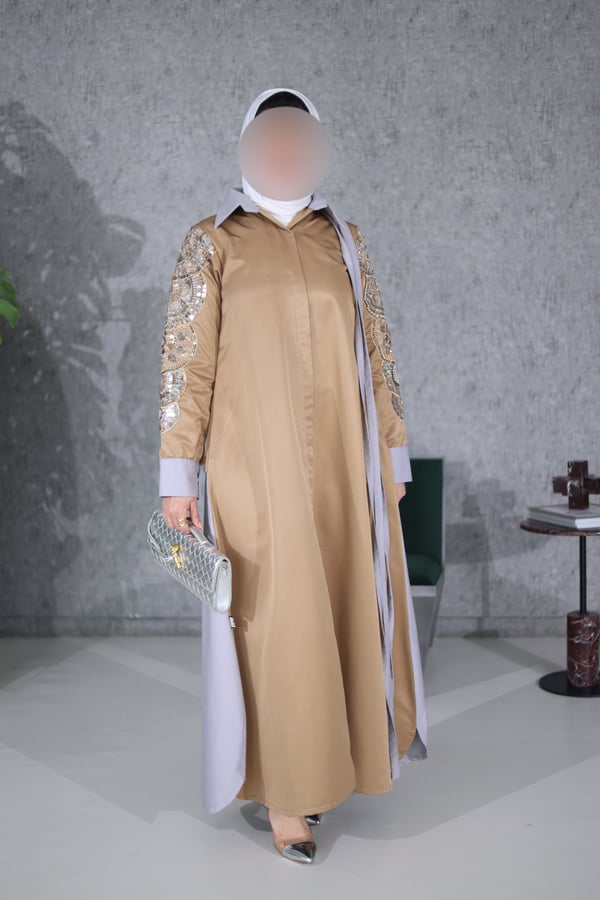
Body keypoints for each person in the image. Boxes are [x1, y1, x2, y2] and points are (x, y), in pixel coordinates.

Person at [158, 87, 428, 864]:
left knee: (339, 610)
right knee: (277, 624)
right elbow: (185, 367)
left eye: (296, 139)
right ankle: (284, 796)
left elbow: (378, 350)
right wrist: (178, 477)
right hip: (252, 467)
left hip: (344, 464)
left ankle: (335, 767)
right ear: (247, 145)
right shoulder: (213, 241)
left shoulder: (345, 239)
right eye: (269, 139)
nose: (283, 153)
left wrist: (393, 456)